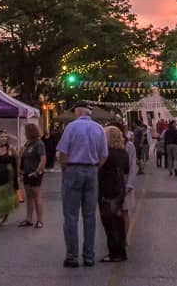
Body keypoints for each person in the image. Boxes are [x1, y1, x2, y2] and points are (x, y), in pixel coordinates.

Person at [57, 103, 107, 268]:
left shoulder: (71, 127)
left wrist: (66, 170)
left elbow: (63, 152)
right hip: (92, 171)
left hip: (73, 168)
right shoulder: (99, 129)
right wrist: (95, 168)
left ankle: (72, 256)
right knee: (90, 216)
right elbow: (104, 155)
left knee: (71, 216)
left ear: (77, 113)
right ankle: (89, 256)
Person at [98, 126, 130, 263]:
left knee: (109, 223)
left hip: (107, 189)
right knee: (118, 220)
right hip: (119, 189)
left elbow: (98, 167)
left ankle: (114, 253)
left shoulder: (107, 154)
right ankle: (121, 251)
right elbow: (127, 170)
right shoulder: (123, 153)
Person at [18, 123, 47, 228]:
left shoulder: (39, 144)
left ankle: (39, 220)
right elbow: (21, 156)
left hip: (35, 172)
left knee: (37, 195)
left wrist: (38, 171)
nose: (24, 134)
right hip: (26, 172)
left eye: (26, 132)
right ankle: (28, 219)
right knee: (29, 196)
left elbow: (43, 158)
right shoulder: (28, 144)